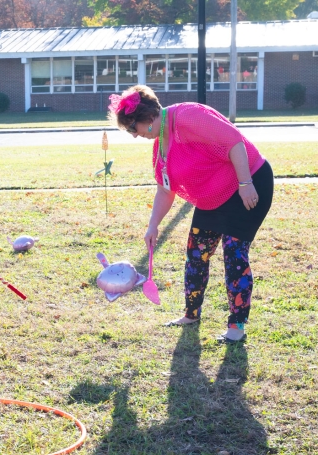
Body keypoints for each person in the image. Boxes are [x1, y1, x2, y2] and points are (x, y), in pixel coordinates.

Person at [108, 85, 274, 343]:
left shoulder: (187, 117)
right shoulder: (160, 145)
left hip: (248, 182)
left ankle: (236, 327)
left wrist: (245, 183)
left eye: (132, 128)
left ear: (147, 117)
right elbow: (165, 190)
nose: (133, 135)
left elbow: (234, 142)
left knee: (234, 255)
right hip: (214, 197)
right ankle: (191, 313)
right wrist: (153, 226)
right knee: (196, 255)